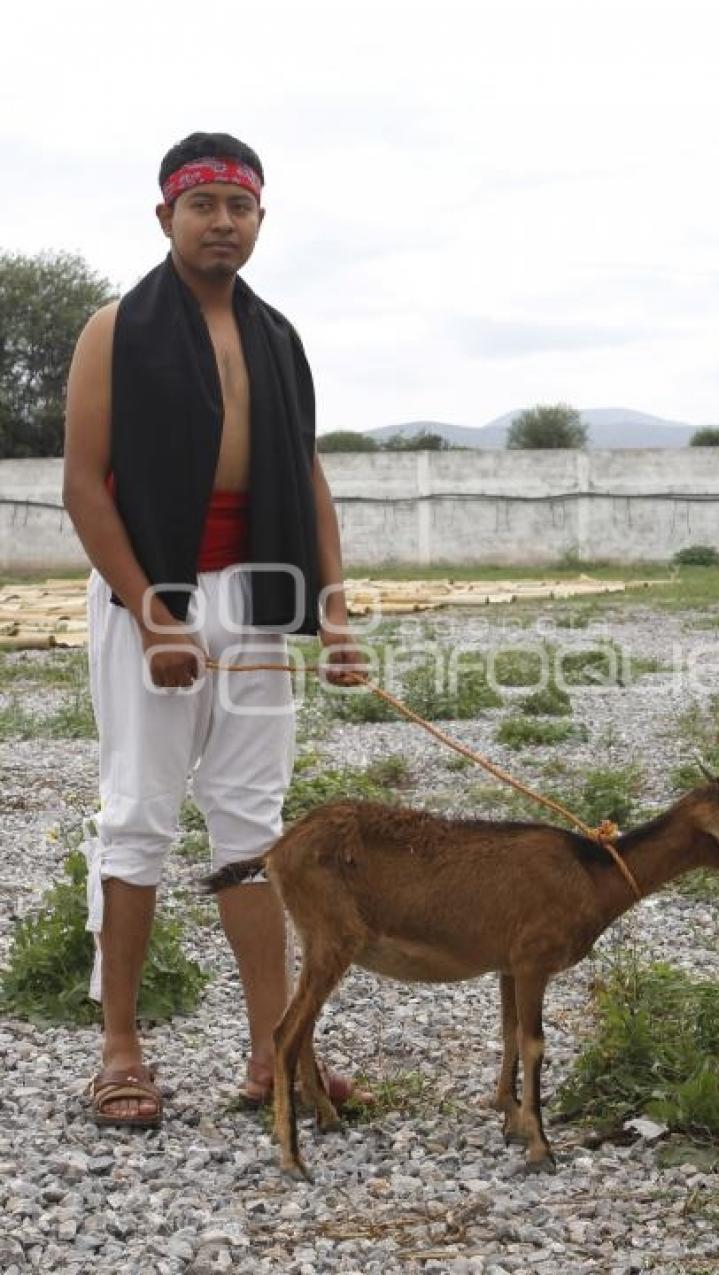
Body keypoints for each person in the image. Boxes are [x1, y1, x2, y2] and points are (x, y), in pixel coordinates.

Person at [63, 131, 368, 1126]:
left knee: (250, 823)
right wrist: (152, 613)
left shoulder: (278, 338)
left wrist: (334, 610)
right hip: (153, 593)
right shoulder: (116, 329)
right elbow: (82, 487)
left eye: (240, 208)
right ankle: (119, 1049)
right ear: (166, 216)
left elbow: (307, 476)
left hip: (258, 592)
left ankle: (272, 1053)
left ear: (260, 220)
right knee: (139, 813)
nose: (223, 224)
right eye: (203, 207)